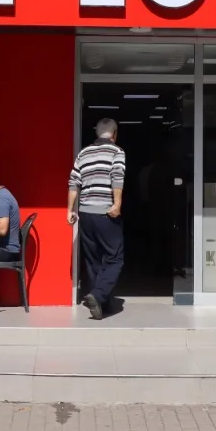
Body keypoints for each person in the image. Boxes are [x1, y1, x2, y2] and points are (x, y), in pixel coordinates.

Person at [67, 118, 126, 321]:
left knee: (93, 259)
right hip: (105, 213)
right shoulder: (117, 152)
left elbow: (73, 182)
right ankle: (98, 295)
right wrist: (117, 204)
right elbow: (117, 177)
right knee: (115, 257)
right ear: (114, 134)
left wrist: (70, 210)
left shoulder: (83, 153)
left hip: (85, 214)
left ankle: (101, 304)